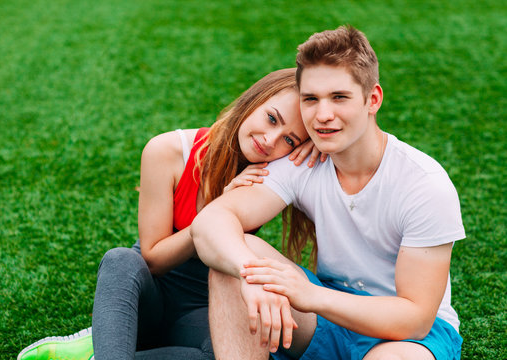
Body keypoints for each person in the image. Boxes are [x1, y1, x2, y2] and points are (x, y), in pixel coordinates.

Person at [191, 26, 465, 360]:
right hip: (323, 318)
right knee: (237, 255)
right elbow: (210, 223)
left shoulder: (424, 185)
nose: (322, 116)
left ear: (372, 99)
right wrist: (249, 271)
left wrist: (309, 295)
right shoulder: (302, 160)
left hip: (405, 338)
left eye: (339, 97)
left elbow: (415, 319)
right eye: (311, 99)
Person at [16, 68, 317, 360]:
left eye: (290, 140)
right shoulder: (169, 151)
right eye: (271, 118)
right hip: (148, 297)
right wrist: (215, 214)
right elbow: (152, 260)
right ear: (252, 100)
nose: (270, 139)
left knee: (224, 352)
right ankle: (112, 344)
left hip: (200, 309)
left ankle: (105, 350)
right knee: (121, 259)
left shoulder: (275, 174)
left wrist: (324, 151)